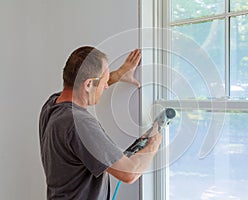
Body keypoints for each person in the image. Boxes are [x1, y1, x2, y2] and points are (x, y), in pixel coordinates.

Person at [39, 46, 162, 200]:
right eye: (105, 80)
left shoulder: (52, 105)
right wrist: (153, 145)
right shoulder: (79, 124)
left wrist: (118, 74)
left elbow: (83, 85)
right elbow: (129, 173)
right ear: (89, 84)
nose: (105, 86)